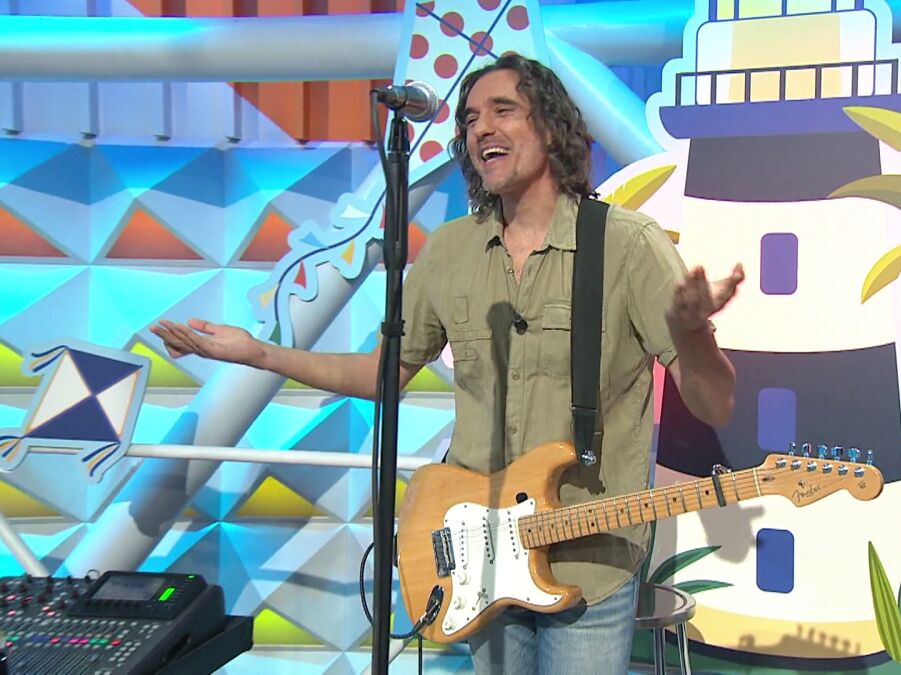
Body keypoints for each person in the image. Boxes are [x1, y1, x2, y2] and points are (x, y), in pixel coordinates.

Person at [152, 52, 744, 674]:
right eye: (469, 119)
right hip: (480, 556)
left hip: (592, 563)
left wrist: (691, 334)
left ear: (550, 127)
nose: (481, 128)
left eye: (502, 110)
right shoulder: (451, 251)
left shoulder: (628, 245)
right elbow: (381, 375)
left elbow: (714, 404)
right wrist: (258, 353)